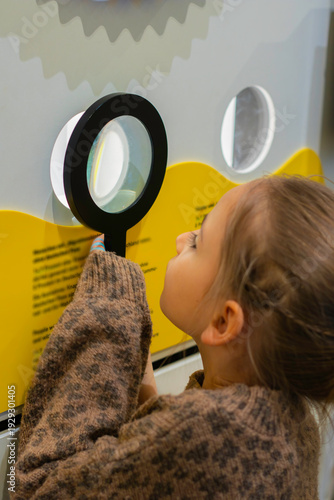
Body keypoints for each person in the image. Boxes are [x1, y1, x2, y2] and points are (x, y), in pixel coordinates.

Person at [11, 175, 334, 500]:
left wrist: (106, 308)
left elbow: (41, 486)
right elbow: (158, 473)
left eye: (197, 242)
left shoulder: (199, 434)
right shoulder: (295, 426)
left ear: (223, 321)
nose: (181, 239)